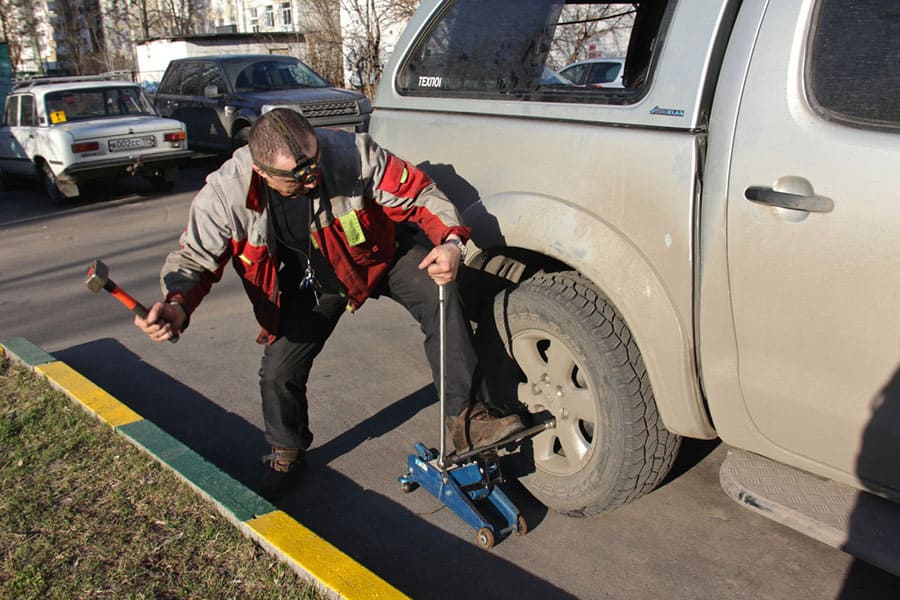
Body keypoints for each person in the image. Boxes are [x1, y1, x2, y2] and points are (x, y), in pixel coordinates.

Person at [135, 108, 524, 499]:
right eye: (299, 177)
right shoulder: (226, 194)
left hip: (375, 257)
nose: (314, 177)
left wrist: (451, 242)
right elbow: (194, 261)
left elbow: (418, 193)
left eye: (315, 164)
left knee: (438, 290)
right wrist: (176, 305)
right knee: (278, 372)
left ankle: (467, 418)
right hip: (313, 286)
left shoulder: (348, 153)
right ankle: (286, 448)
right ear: (264, 172)